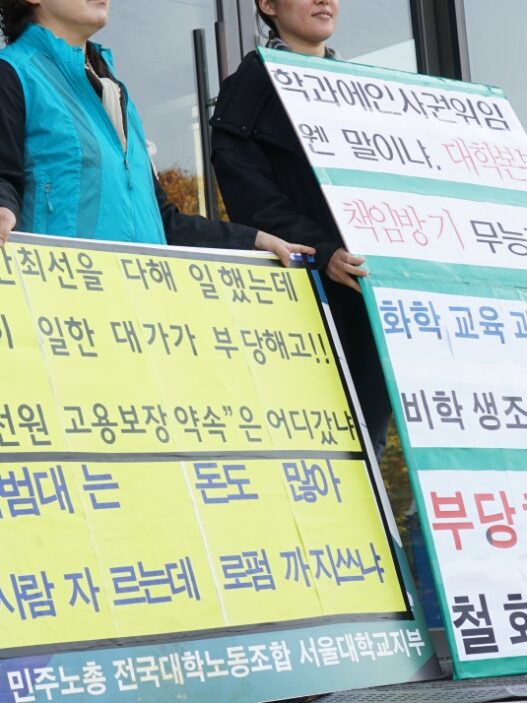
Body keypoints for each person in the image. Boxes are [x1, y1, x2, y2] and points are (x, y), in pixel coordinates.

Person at [0, 0, 315, 268]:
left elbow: (165, 222)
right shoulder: (12, 74)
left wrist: (255, 240)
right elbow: (4, 181)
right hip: (63, 304)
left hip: (143, 305)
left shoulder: (116, 92)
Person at [211, 0, 391, 459]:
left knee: (376, 448)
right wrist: (324, 251)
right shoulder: (249, 89)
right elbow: (253, 200)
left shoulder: (368, 91)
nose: (324, 1)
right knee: (336, 452)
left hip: (380, 305)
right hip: (306, 305)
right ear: (267, 5)